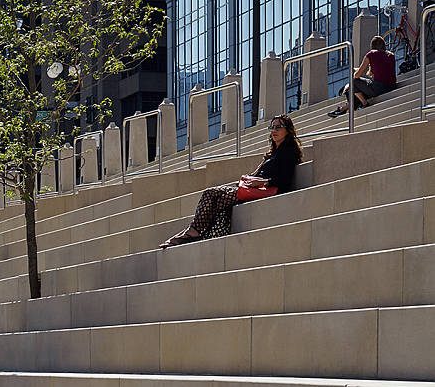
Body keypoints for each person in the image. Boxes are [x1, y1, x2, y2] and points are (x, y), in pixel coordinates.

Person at [160, 114, 303, 248]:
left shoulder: (288, 152)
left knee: (211, 193)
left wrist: (262, 182)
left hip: (267, 191)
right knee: (217, 200)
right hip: (255, 190)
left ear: (288, 130)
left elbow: (284, 180)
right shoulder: (273, 153)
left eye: (279, 127)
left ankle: (193, 232)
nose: (274, 130)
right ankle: (196, 232)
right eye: (272, 127)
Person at [328, 35, 396, 117]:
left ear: (372, 46)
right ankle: (344, 108)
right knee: (358, 90)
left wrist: (355, 72)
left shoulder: (371, 54)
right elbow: (374, 73)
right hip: (391, 86)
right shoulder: (391, 55)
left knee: (353, 82)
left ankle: (363, 103)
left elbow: (357, 75)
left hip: (379, 88)